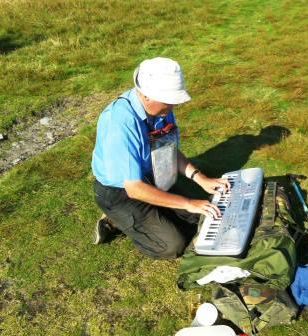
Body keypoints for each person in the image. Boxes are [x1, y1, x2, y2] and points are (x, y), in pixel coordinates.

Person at [91, 57, 230, 259]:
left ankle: (150, 212)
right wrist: (188, 202)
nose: (172, 107)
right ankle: (114, 219)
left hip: (154, 174)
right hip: (120, 191)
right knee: (172, 245)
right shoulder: (119, 123)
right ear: (147, 95)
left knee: (200, 219)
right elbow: (134, 188)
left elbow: (168, 148)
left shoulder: (161, 110)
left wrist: (201, 178)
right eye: (169, 101)